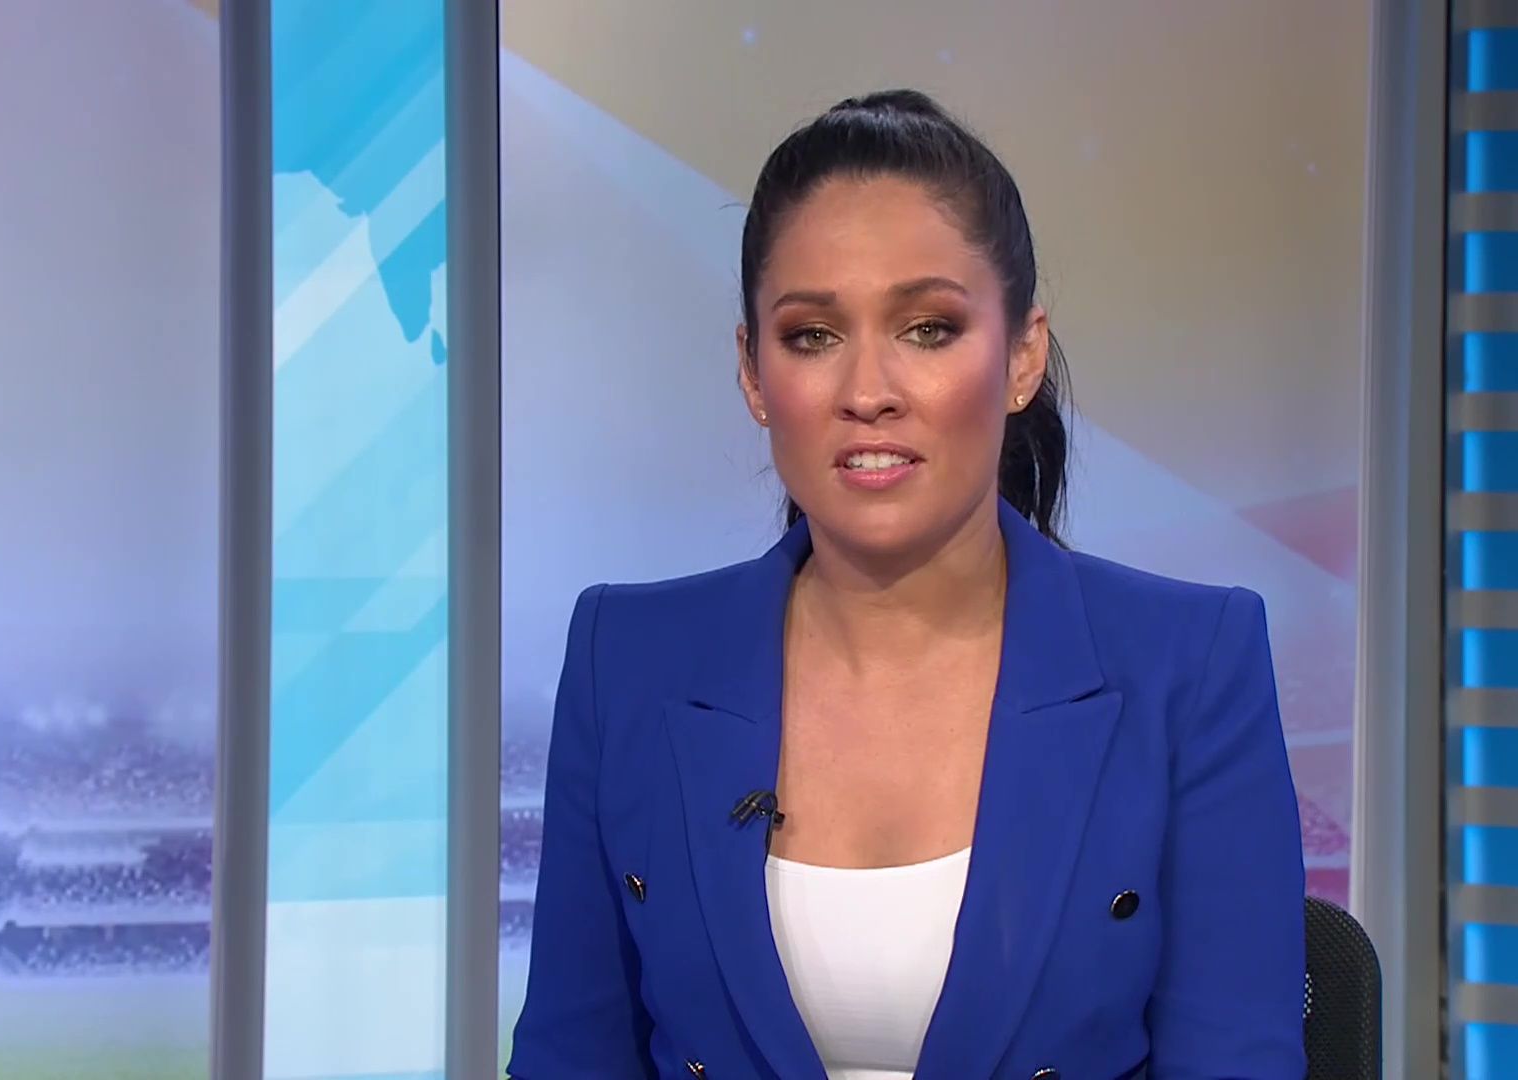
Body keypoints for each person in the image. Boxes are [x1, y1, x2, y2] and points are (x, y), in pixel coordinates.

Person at [509, 89, 1305, 1080]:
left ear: (1022, 356)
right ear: (753, 372)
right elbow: (571, 1055)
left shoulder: (1190, 668)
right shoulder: (625, 662)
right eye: (812, 335)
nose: (867, 392)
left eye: (928, 329)